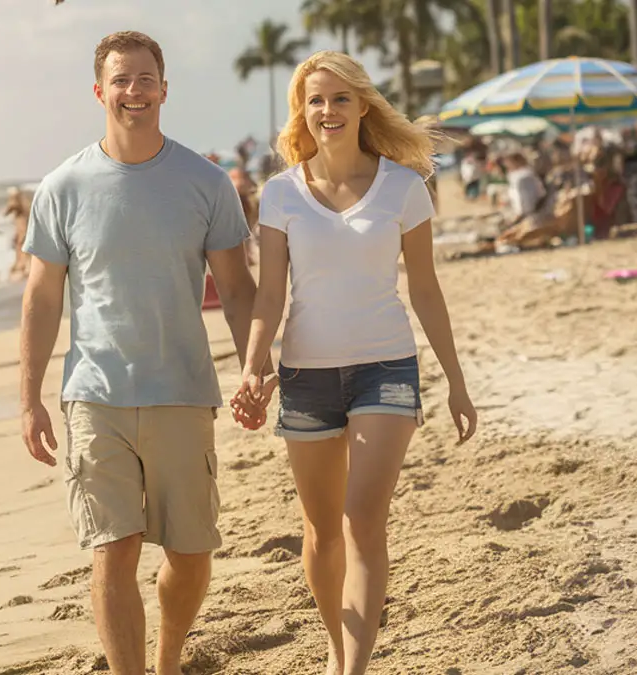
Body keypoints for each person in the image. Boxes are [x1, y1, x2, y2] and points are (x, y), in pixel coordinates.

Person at [18, 31, 269, 675]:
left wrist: (254, 369)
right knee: (114, 548)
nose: (135, 92)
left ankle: (168, 658)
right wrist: (29, 400)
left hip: (183, 391)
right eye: (121, 80)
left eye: (145, 79)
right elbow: (43, 299)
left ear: (165, 88)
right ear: (99, 92)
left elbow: (238, 291)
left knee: (190, 555)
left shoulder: (206, 182)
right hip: (94, 396)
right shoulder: (62, 185)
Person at [229, 51, 477, 675]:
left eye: (340, 98)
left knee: (362, 518)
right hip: (305, 374)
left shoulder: (403, 186)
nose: (328, 110)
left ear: (363, 105)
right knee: (320, 534)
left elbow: (425, 289)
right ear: (302, 110)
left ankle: (353, 669)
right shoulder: (281, 193)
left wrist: (456, 380)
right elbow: (269, 295)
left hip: (385, 368)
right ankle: (338, 647)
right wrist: (253, 368)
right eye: (316, 99)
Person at [4, 187, 31, 279]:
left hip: (23, 232)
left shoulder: (19, 205)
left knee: (22, 248)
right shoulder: (23, 206)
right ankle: (23, 265)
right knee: (20, 248)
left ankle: (24, 266)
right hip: (21, 232)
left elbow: (6, 211)